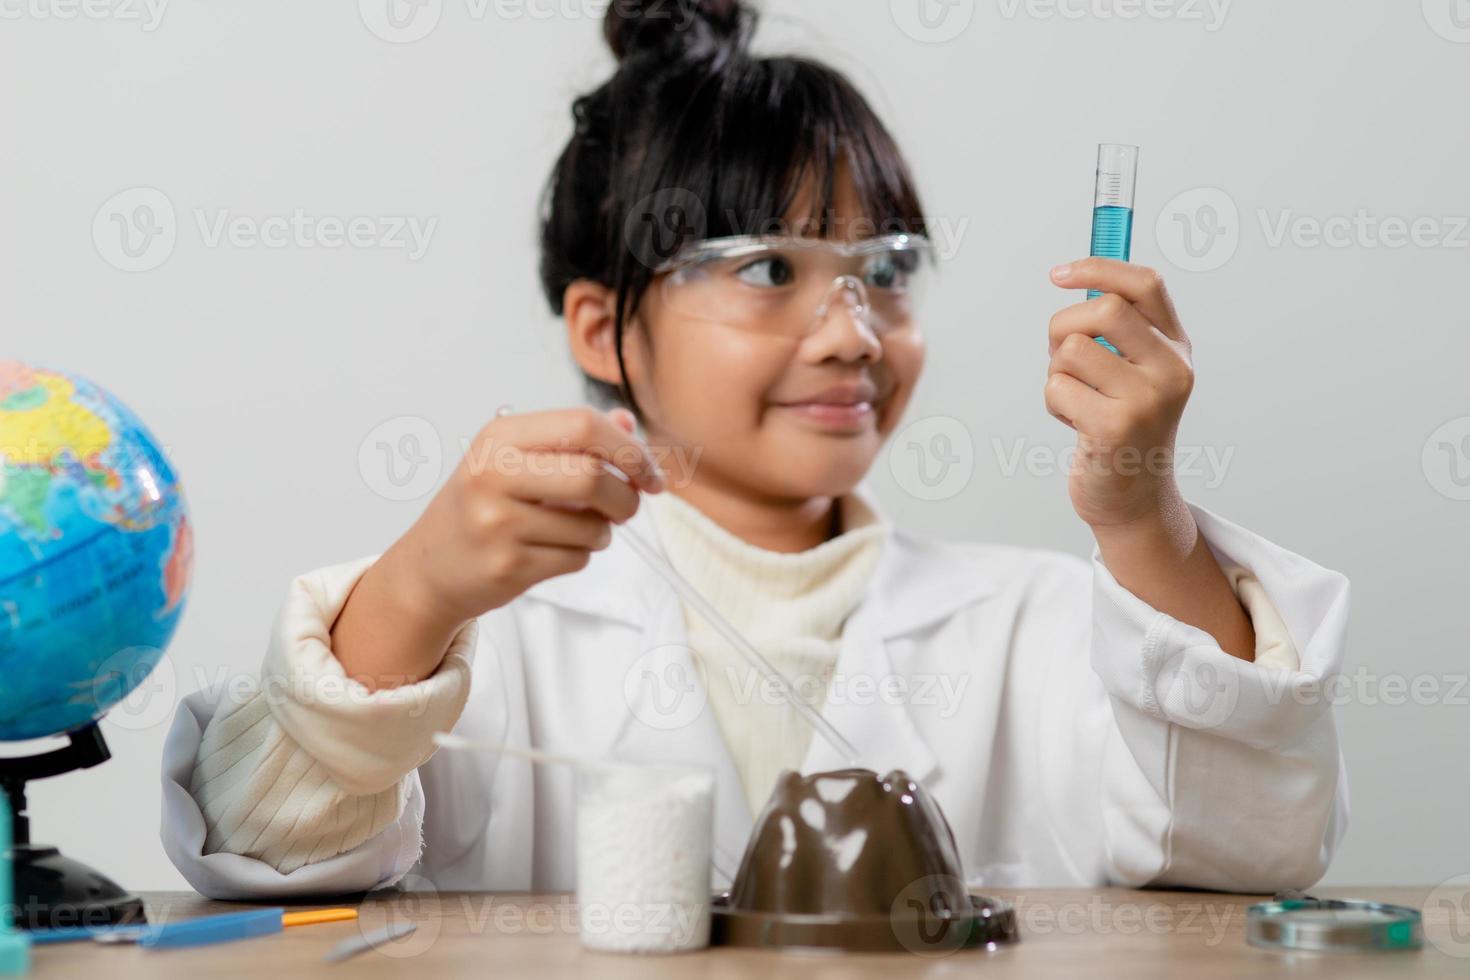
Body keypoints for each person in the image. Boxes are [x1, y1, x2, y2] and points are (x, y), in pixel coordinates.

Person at [161, 0, 1348, 899]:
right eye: (771, 267)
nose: (853, 334)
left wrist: (1146, 521)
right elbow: (265, 847)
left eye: (885, 270)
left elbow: (1253, 853)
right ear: (600, 325)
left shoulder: (1035, 624)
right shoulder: (493, 640)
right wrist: (410, 594)